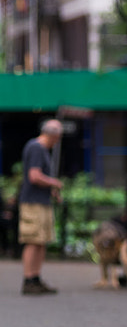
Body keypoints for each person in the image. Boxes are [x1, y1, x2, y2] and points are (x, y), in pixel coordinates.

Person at [18, 119, 64, 295]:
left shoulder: (42, 149)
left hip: (42, 200)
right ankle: (28, 279)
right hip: (33, 202)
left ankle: (35, 278)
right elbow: (34, 176)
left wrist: (52, 191)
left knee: (41, 241)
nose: (58, 141)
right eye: (58, 137)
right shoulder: (36, 148)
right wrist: (54, 182)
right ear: (53, 135)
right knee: (33, 240)